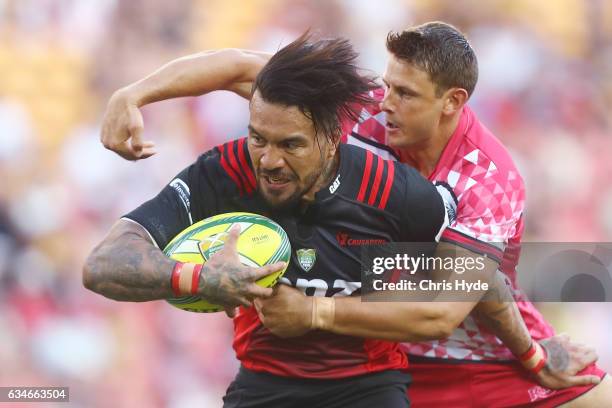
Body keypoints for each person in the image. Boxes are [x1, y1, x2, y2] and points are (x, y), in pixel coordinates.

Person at [99, 23, 611, 407]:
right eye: (389, 85)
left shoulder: (487, 180)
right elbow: (239, 67)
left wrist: (533, 355)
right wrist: (134, 94)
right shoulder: (364, 107)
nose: (385, 103)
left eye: (404, 94)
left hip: (461, 355)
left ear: (452, 102)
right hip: (371, 344)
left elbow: (445, 308)